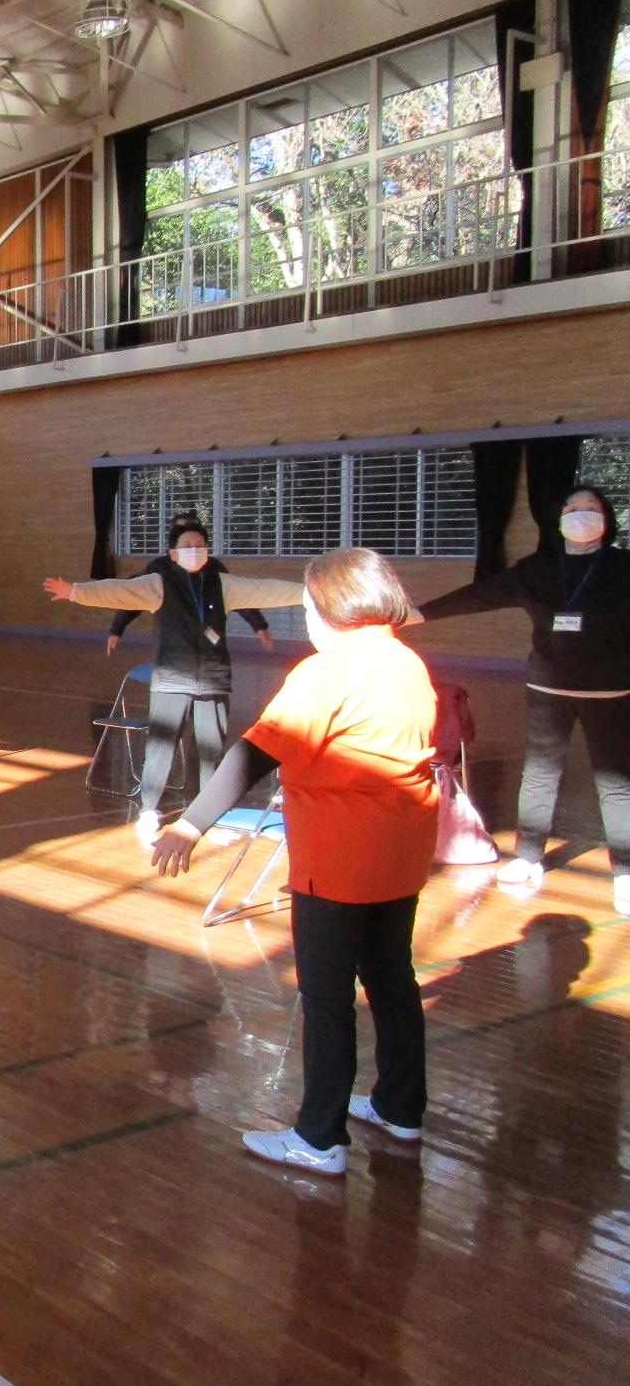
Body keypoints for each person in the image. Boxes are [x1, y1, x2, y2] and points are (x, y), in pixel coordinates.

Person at [152, 548, 438, 1175]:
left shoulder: (325, 672)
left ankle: (320, 1136)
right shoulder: (407, 661)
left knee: (328, 995)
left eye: (307, 604)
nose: (304, 615)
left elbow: (255, 754)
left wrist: (190, 825)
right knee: (392, 979)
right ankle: (399, 1106)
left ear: (332, 606)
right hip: (402, 850)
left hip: (339, 858)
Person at [414, 485, 628, 913]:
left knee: (617, 784)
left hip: (610, 689)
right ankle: (528, 856)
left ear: (606, 521)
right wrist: (417, 613)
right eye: (572, 508)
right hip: (548, 688)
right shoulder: (538, 569)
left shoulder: (623, 567)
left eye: (591, 509)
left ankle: (624, 870)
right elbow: (480, 595)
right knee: (540, 774)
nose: (580, 515)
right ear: (559, 518)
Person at [44, 522, 304, 843]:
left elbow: (263, 589)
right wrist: (76, 592)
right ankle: (149, 810)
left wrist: (307, 592)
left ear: (208, 550)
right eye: (187, 544)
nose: (194, 548)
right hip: (171, 680)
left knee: (211, 751)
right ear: (173, 552)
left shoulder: (222, 584)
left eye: (200, 543)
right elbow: (120, 591)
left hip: (213, 680)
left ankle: (209, 815)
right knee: (160, 748)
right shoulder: (159, 582)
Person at [107, 513, 273, 658]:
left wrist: (259, 625)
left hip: (210, 648)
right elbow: (134, 595)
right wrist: (117, 629)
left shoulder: (214, 568)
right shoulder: (159, 569)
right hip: (172, 647)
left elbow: (237, 594)